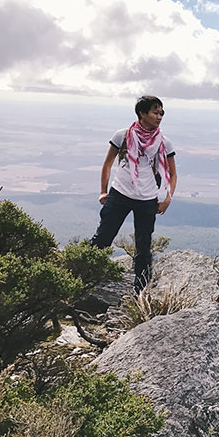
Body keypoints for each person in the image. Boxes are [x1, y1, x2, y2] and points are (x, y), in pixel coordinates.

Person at [91, 95, 177, 293]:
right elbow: (107, 164)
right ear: (142, 113)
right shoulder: (123, 135)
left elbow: (172, 174)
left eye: (162, 113)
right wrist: (103, 191)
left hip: (147, 199)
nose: (160, 116)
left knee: (144, 246)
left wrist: (167, 198)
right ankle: (84, 277)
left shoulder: (164, 143)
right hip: (120, 193)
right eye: (155, 112)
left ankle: (140, 292)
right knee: (103, 237)